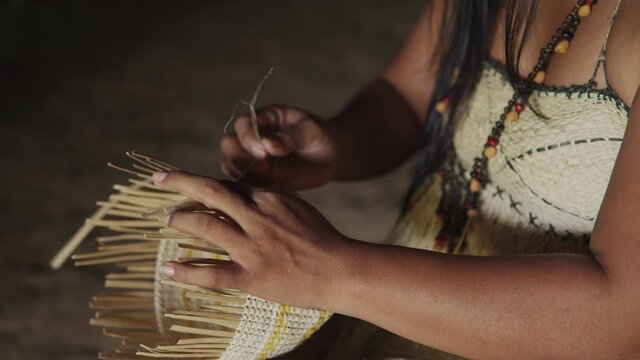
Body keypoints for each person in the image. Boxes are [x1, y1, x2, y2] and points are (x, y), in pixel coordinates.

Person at [155, 0, 640, 358]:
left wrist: (333, 271)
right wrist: (336, 144)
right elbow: (410, 95)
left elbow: (619, 321)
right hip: (396, 305)